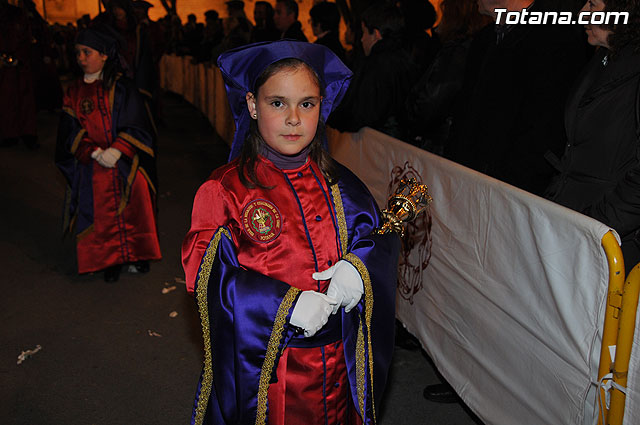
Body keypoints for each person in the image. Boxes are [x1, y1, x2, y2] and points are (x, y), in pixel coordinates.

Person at [181, 40, 400, 424]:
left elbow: (375, 236)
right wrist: (283, 303)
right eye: (277, 103)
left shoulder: (343, 185)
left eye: (307, 104)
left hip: (339, 368)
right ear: (252, 105)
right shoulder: (225, 190)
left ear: (322, 107)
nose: (294, 118)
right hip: (271, 376)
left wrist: (360, 267)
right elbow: (206, 274)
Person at [444, 0, 588, 196]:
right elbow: (465, 114)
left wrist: (507, 185)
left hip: (509, 193)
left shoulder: (557, 40)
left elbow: (546, 130)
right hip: (465, 182)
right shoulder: (484, 39)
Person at [56, 26, 161, 282]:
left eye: (87, 52)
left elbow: (137, 122)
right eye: (78, 52)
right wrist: (92, 152)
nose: (81, 58)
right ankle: (110, 260)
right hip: (93, 165)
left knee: (134, 211)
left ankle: (137, 256)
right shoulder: (73, 92)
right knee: (99, 214)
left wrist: (118, 149)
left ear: (104, 55)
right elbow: (69, 130)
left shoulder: (123, 87)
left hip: (125, 163)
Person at [546, 0, 640, 274]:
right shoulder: (603, 58)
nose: (582, 12)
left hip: (607, 241)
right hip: (572, 223)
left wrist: (593, 226)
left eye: (593, 4)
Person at [405, 0, 491, 154]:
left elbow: (431, 103)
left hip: (442, 147)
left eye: (444, 14)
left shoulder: (457, 53)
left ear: (454, 16)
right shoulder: (484, 48)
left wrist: (407, 119)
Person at [328, 1, 417, 140]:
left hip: (380, 145)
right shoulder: (406, 57)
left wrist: (330, 116)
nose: (362, 39)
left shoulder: (376, 65)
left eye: (363, 33)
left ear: (376, 34)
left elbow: (360, 112)